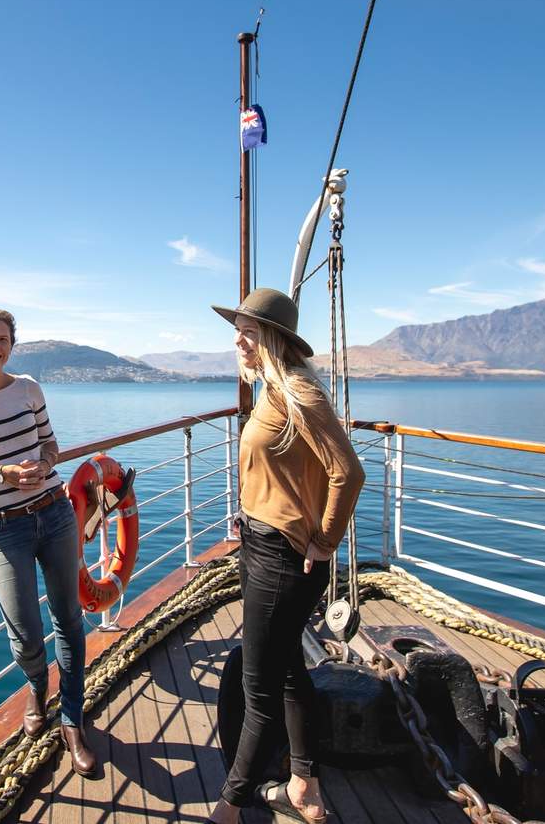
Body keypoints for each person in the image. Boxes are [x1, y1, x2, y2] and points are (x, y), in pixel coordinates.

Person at [206, 288, 365, 824]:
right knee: (290, 669)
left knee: (259, 688)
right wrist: (248, 512)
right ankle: (304, 783)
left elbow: (349, 471)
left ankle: (229, 808)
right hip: (258, 542)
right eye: (238, 330)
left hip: (284, 555)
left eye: (248, 332)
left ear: (272, 339)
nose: (238, 340)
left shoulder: (300, 392)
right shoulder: (271, 390)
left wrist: (324, 540)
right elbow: (277, 469)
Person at [0, 309, 98, 776]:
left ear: (13, 344)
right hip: (4, 525)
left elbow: (52, 445)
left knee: (68, 619)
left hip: (55, 514)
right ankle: (35, 686)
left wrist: (45, 467)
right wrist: (3, 473)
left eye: (4, 339)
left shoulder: (28, 388)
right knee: (25, 632)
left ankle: (72, 720)